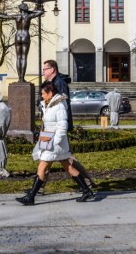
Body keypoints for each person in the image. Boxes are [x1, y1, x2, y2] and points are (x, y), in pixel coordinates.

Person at [16, 81, 94, 205]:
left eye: (43, 93)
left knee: (42, 166)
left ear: (50, 93)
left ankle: (31, 197)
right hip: (50, 140)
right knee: (67, 166)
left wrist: (56, 141)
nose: (41, 96)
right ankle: (86, 190)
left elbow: (63, 125)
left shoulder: (59, 106)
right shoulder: (49, 105)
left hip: (55, 142)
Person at [42, 59, 96, 189]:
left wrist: (49, 105)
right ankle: (39, 186)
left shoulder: (59, 83)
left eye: (45, 69)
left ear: (52, 69)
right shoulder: (52, 83)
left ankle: (87, 183)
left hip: (56, 126)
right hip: (49, 125)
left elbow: (64, 99)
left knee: (64, 157)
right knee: (47, 156)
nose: (43, 72)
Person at [0, 3, 43, 82]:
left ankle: (20, 78)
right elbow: (40, 12)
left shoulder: (17, 16)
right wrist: (30, 11)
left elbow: (5, 17)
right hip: (25, 36)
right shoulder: (29, 16)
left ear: (20, 9)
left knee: (18, 58)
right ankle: (22, 78)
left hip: (18, 36)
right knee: (24, 58)